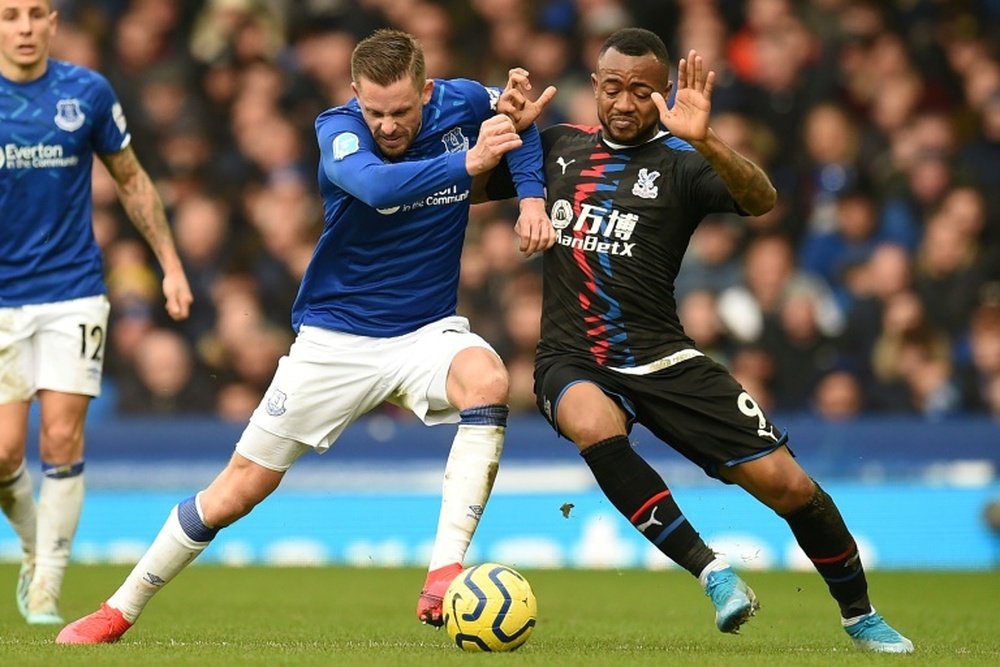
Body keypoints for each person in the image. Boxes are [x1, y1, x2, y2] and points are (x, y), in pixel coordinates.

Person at [56, 28, 555, 644]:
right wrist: (468, 162)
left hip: (426, 331)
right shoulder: (337, 130)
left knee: (489, 379)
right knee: (237, 491)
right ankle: (119, 609)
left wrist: (531, 198)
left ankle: (443, 570)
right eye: (375, 110)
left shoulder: (463, 101)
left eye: (402, 111)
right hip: (335, 341)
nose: (388, 125)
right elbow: (375, 185)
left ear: (427, 91)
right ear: (355, 95)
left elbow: (521, 125)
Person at [490, 27, 913, 653]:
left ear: (663, 94)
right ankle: (714, 572)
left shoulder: (683, 164)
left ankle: (859, 613)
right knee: (590, 422)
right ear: (595, 90)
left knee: (789, 486)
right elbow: (465, 187)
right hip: (572, 356)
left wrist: (708, 140)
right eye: (612, 89)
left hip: (663, 356)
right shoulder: (554, 149)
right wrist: (503, 133)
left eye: (640, 91)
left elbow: (761, 199)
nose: (624, 103)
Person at [0, 0, 192, 625]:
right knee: (4, 454)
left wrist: (170, 263)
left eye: (35, 14)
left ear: (54, 22)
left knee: (59, 436)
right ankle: (35, 549)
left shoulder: (86, 92)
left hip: (73, 290)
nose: (24, 28)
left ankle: (48, 586)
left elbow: (132, 180)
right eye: (10, 16)